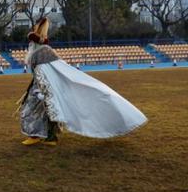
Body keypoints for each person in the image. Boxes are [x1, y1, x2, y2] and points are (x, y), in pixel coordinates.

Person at [19, 18, 147, 146]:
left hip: (44, 85)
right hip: (41, 84)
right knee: (47, 108)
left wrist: (41, 88)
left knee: (41, 108)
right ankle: (45, 136)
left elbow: (46, 68)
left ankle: (43, 136)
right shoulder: (41, 49)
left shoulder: (43, 50)